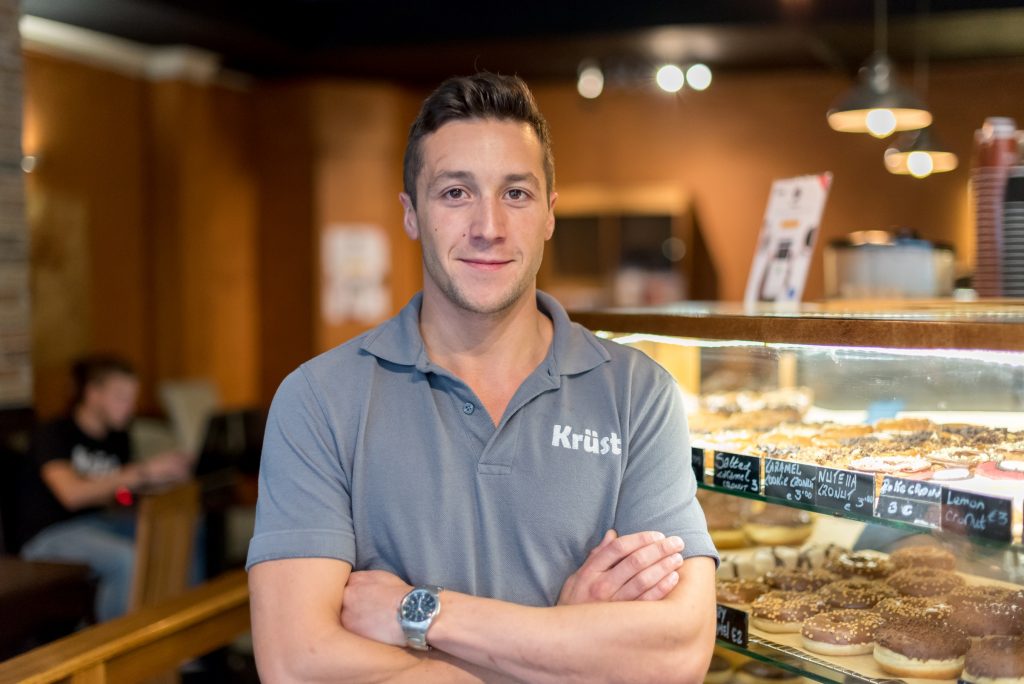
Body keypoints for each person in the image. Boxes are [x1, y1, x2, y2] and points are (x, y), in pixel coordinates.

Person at [247, 73, 718, 683]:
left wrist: (421, 616)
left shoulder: (638, 394)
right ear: (412, 214)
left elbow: (675, 656)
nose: (488, 226)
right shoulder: (317, 400)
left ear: (549, 214)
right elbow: (297, 665)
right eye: (455, 193)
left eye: (516, 194)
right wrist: (565, 646)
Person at [19, 355, 193, 621]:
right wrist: (143, 471)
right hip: (48, 536)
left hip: (99, 523)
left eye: (132, 399)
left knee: (180, 532)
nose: (130, 407)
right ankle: (114, 652)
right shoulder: (54, 433)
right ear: (93, 394)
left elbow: (120, 495)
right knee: (125, 558)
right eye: (121, 398)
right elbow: (72, 495)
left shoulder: (118, 438)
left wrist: (156, 480)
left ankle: (178, 634)